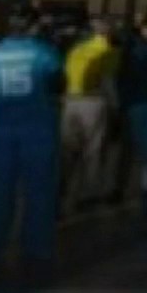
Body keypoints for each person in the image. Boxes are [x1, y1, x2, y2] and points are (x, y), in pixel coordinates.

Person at [0, 7, 64, 277]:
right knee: (38, 190)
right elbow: (57, 82)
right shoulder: (43, 52)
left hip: (1, 128)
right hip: (37, 127)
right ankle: (36, 247)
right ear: (33, 26)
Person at [60, 16, 120, 212]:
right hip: (93, 102)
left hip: (70, 102)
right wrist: (114, 107)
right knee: (93, 150)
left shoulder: (77, 49)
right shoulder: (107, 51)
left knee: (68, 151)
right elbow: (108, 81)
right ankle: (89, 194)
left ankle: (61, 191)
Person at [109, 9, 147, 213]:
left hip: (132, 104)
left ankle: (120, 190)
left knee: (129, 151)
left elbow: (119, 77)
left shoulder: (129, 48)